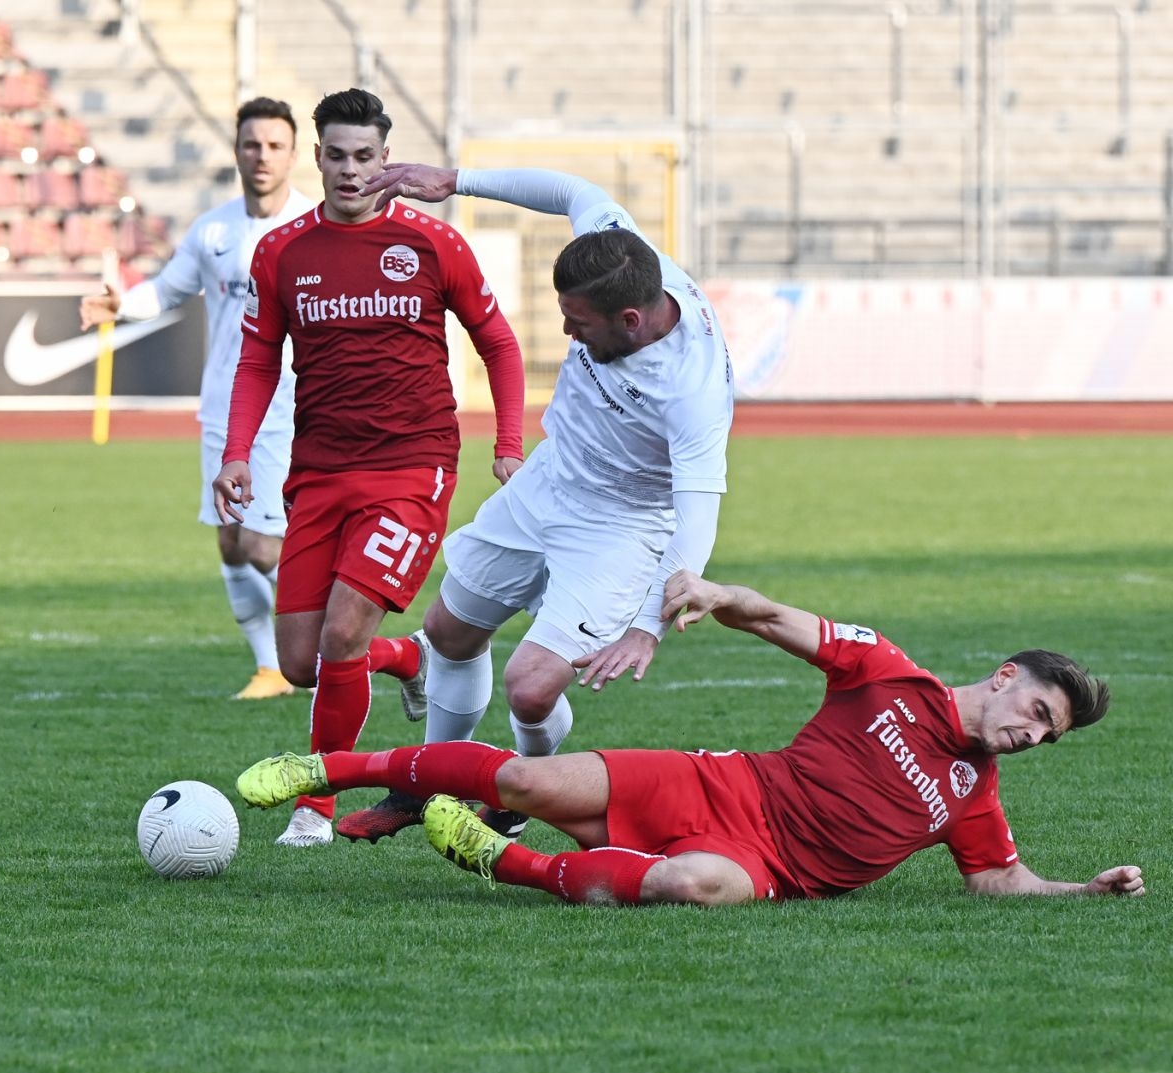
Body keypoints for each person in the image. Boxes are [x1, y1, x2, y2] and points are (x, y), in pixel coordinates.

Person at [237, 570, 1144, 905]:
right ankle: (328, 767)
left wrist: (1087, 889)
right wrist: (720, 598)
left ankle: (498, 863)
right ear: (1004, 678)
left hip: (769, 870)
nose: (1032, 736)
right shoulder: (888, 672)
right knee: (524, 782)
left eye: (1048, 737)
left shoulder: (971, 793)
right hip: (727, 789)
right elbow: (782, 617)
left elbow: (997, 877)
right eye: (1037, 714)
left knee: (695, 883)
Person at [333, 162, 734, 843]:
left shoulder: (691, 390)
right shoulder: (621, 253)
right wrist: (455, 180)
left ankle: (525, 789)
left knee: (530, 686)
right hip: (550, 480)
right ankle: (419, 784)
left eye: (579, 325)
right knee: (452, 632)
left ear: (631, 320)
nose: (570, 336)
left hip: (622, 524)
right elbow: (575, 191)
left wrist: (647, 626)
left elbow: (698, 520)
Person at [214, 88, 527, 848]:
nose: (350, 171)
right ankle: (409, 657)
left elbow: (501, 343)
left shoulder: (431, 243)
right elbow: (258, 356)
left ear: (386, 159)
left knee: (342, 632)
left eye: (365, 157)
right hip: (319, 471)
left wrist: (509, 443)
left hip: (412, 469)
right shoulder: (282, 250)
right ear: (315, 156)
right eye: (336, 156)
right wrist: (234, 455)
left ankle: (316, 802)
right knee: (301, 661)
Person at [80, 98, 316, 701]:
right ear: (236, 150)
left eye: (273, 146)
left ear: (294, 154)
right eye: (251, 144)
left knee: (263, 545)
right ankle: (272, 668)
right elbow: (166, 291)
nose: (261, 156)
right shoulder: (212, 230)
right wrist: (120, 305)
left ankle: (321, 653)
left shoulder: (314, 230)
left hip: (287, 408)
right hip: (221, 408)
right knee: (231, 544)